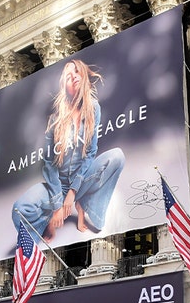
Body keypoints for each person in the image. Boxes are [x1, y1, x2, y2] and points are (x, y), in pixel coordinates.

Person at [12, 59, 125, 242]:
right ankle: (45, 223)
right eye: (68, 76)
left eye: (77, 72)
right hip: (58, 184)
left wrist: (73, 192)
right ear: (64, 86)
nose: (74, 77)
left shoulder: (93, 108)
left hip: (82, 180)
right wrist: (58, 205)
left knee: (117, 156)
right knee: (19, 209)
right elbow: (49, 164)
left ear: (84, 76)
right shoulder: (55, 118)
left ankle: (85, 205)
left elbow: (90, 152)